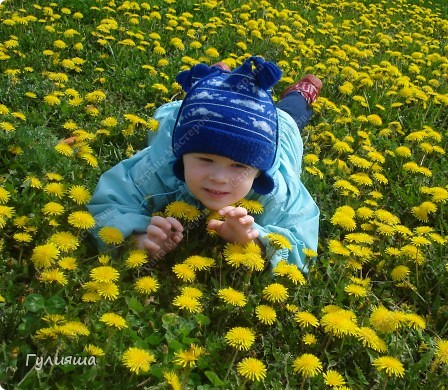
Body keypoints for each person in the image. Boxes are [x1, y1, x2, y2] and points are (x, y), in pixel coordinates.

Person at [87, 56, 321, 271]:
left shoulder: (276, 191)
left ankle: (299, 95)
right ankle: (215, 79)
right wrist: (135, 235)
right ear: (181, 155)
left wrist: (255, 240)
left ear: (259, 169)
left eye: (238, 166)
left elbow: (302, 240)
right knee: (167, 117)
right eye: (206, 159)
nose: (219, 177)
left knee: (290, 116)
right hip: (200, 117)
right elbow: (110, 201)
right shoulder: (160, 167)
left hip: (277, 128)